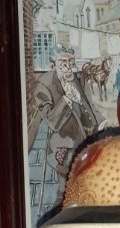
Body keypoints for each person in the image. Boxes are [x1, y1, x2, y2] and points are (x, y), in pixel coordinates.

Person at [34, 44, 107, 208]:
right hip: (64, 144)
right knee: (67, 189)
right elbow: (52, 122)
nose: (69, 68)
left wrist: (103, 121)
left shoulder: (80, 79)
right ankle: (59, 215)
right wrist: (66, 99)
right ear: (53, 65)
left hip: (89, 137)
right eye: (63, 63)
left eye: (71, 62)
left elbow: (91, 107)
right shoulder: (43, 85)